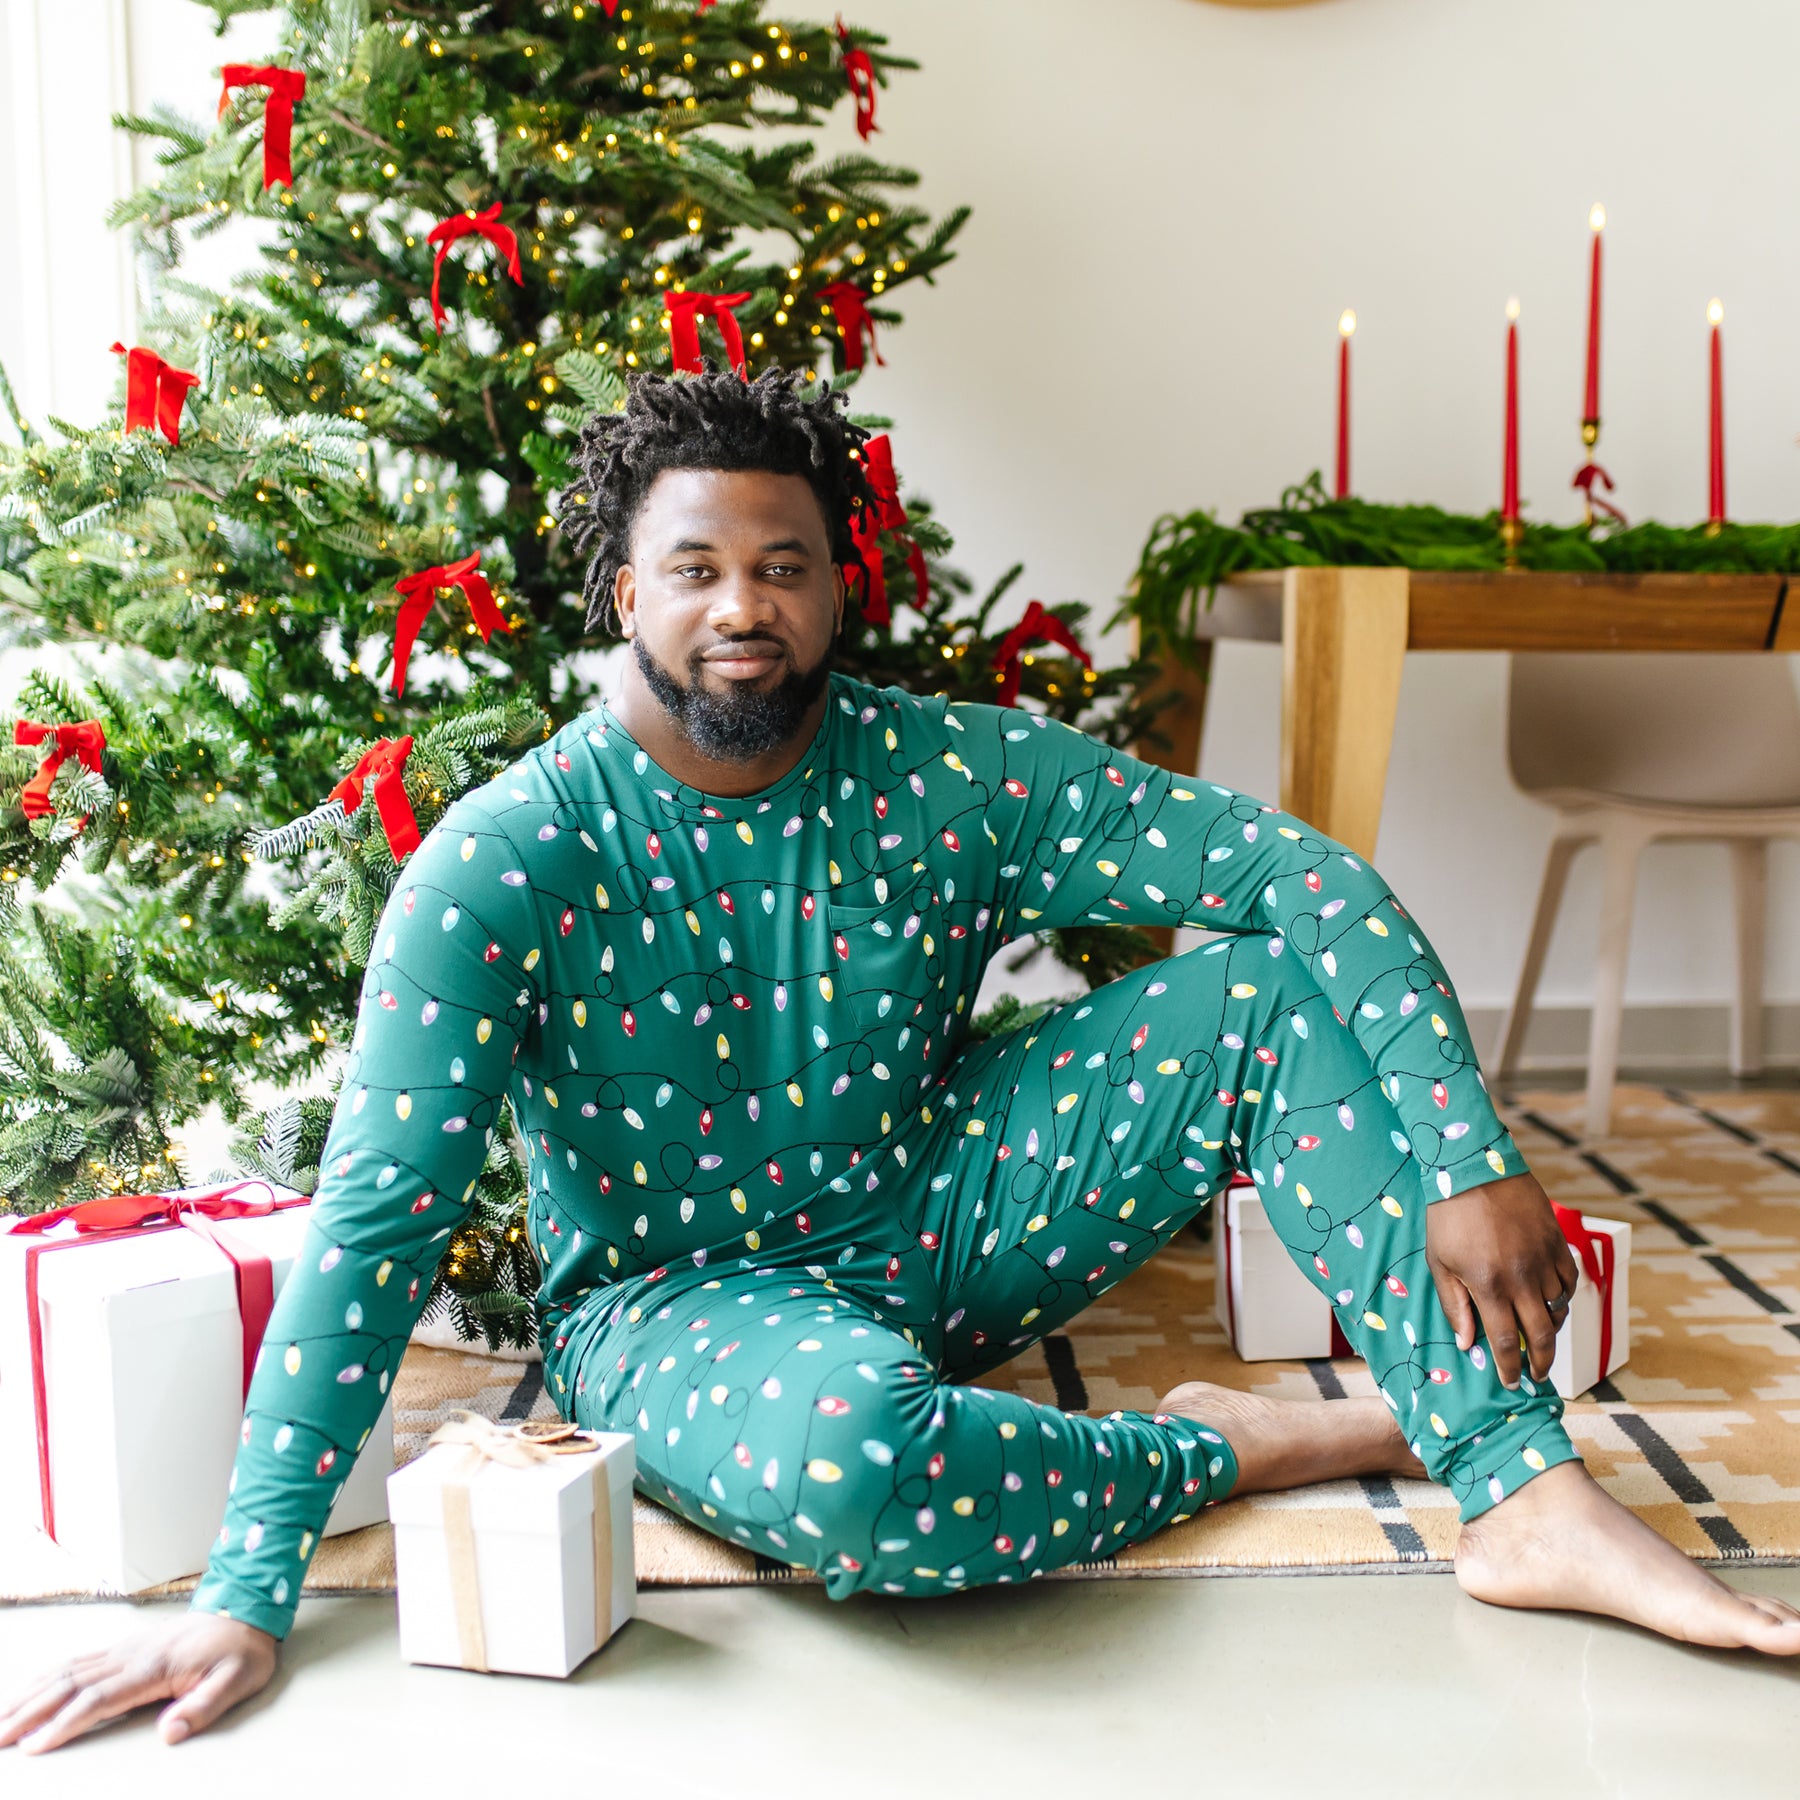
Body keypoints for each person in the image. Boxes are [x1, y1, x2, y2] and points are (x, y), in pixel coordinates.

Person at [7, 370, 1797, 1755]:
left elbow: (1294, 874)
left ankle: (1521, 1489)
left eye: (782, 567)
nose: (742, 607)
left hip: (941, 1211)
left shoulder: (944, 771)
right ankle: (1253, 1449)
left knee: (1264, 985)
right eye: (696, 568)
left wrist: (1474, 1158)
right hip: (681, 1308)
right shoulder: (504, 852)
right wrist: (246, 1587)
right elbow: (379, 1223)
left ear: (837, 585)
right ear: (623, 589)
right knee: (871, 1472)